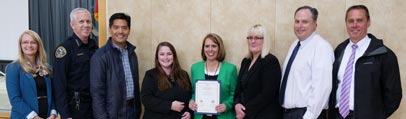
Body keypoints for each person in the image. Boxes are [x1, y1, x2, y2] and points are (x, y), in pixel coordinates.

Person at [328, 5, 402, 119]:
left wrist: (376, 116)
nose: (354, 25)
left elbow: (394, 95)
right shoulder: (339, 51)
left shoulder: (384, 54)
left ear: (368, 23)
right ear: (346, 24)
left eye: (359, 20)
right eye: (350, 21)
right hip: (338, 115)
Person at [279, 6, 334, 119]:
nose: (299, 26)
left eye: (305, 22)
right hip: (289, 113)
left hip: (307, 114)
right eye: (297, 21)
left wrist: (310, 116)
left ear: (315, 24)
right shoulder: (295, 45)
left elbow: (322, 87)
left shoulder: (321, 47)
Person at [90, 13, 142, 119]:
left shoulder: (132, 53)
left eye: (124, 28)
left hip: (132, 110)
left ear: (129, 30)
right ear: (110, 29)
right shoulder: (100, 56)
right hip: (112, 113)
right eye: (116, 27)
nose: (120, 32)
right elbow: (97, 93)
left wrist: (138, 111)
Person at [52, 8, 98, 119]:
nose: (86, 25)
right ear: (72, 25)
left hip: (94, 107)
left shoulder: (94, 47)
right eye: (81, 22)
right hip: (76, 108)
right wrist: (65, 114)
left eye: (88, 21)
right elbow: (59, 85)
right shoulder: (64, 49)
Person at [234, 24, 283, 119]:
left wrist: (245, 110)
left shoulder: (270, 61)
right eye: (250, 38)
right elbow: (238, 89)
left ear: (265, 41)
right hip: (246, 115)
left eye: (257, 38)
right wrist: (237, 104)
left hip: (265, 115)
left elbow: (267, 94)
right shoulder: (246, 61)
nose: (253, 41)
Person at [6, 30, 57, 119]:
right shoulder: (13, 68)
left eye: (33, 42)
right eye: (25, 42)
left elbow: (52, 94)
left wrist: (53, 113)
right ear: (20, 45)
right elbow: (15, 99)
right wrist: (34, 117)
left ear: (38, 45)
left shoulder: (47, 68)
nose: (29, 45)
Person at [188, 33, 237, 119]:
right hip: (201, 116)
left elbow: (235, 94)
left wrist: (227, 105)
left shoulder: (230, 69)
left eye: (214, 46)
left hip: (223, 116)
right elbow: (193, 92)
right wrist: (191, 101)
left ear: (219, 48)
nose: (210, 49)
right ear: (203, 49)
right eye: (207, 46)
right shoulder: (195, 68)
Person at [141, 42, 192, 119]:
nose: (166, 57)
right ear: (157, 57)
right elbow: (146, 99)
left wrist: (189, 112)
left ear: (174, 56)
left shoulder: (183, 74)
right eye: (162, 54)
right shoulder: (150, 75)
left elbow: (190, 97)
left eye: (169, 54)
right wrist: (170, 106)